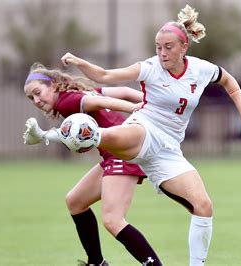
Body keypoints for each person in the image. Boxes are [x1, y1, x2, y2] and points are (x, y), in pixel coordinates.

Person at [28, 5, 241, 265]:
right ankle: (90, 136)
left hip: (170, 149)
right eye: (158, 47)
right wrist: (81, 63)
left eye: (168, 47)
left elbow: (229, 82)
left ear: (184, 47)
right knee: (119, 138)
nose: (162, 53)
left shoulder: (201, 69)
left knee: (204, 207)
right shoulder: (150, 67)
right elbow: (106, 75)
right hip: (145, 127)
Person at [22, 63, 162, 266]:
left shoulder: (67, 102)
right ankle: (96, 262)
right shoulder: (75, 94)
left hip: (122, 154)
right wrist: (155, 104)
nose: (36, 100)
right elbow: (122, 91)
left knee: (113, 221)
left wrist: (133, 108)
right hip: (114, 155)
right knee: (75, 201)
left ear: (53, 85)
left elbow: (100, 102)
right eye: (31, 98)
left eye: (37, 92)